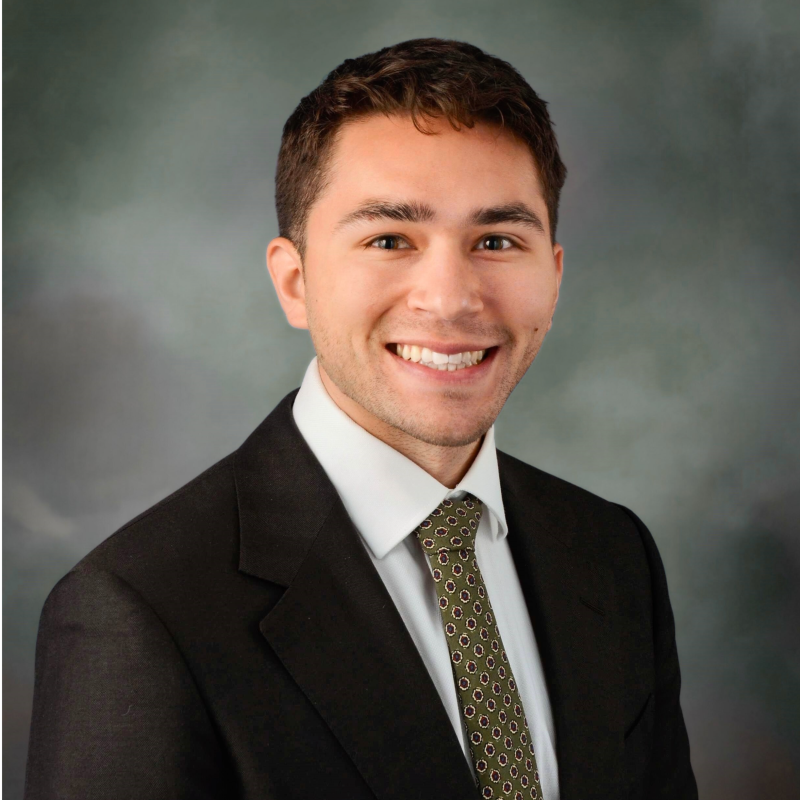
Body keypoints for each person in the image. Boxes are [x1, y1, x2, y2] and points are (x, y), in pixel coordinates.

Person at [24, 38, 697, 800]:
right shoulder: (139, 613)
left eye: (497, 241)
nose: (450, 298)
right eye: (389, 239)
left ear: (554, 274)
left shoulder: (612, 555)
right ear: (295, 282)